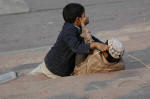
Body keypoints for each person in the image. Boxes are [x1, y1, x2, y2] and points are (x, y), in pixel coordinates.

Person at [30, 3, 109, 78]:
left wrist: (103, 44)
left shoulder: (74, 26)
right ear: (78, 19)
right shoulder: (68, 31)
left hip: (52, 64)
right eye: (84, 16)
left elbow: (90, 37)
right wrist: (95, 45)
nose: (86, 18)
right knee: (31, 76)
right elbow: (76, 47)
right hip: (54, 69)